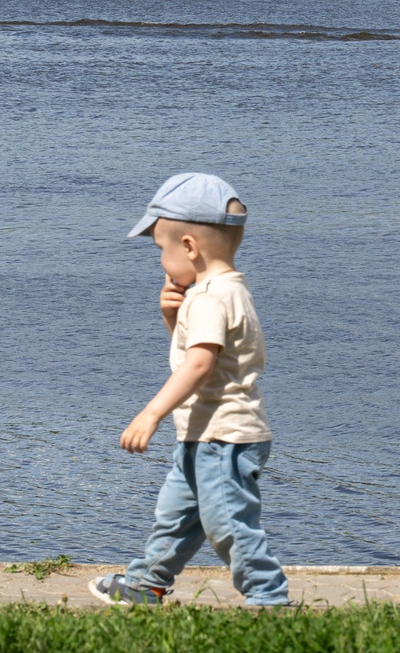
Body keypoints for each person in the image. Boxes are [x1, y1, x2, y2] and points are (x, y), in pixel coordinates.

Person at [93, 172, 290, 608]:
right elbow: (201, 357)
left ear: (189, 247)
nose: (160, 262)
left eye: (160, 250)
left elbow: (199, 366)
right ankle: (146, 584)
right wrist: (173, 319)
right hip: (204, 434)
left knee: (228, 524)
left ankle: (268, 597)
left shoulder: (208, 299)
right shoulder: (226, 289)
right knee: (178, 516)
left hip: (223, 437)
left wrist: (151, 414)